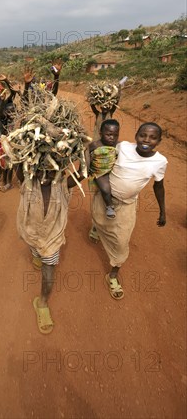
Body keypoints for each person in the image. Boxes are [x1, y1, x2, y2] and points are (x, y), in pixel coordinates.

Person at [90, 122, 167, 300]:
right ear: (136, 136)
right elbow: (102, 147)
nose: (146, 140)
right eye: (143, 135)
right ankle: (96, 227)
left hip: (127, 204)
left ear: (159, 141)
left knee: (121, 241)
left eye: (153, 137)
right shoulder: (122, 147)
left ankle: (113, 275)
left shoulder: (160, 162)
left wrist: (162, 211)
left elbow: (159, 187)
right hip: (105, 198)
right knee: (99, 220)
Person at [16, 166, 77, 335]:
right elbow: (19, 165)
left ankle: (42, 303)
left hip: (52, 237)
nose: (44, 175)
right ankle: (36, 255)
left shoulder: (63, 185)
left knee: (48, 268)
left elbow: (82, 174)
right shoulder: (27, 182)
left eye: (51, 171)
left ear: (62, 171)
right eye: (40, 170)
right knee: (35, 249)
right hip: (31, 232)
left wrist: (84, 149)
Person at [88, 119, 120, 219]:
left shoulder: (118, 145)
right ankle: (109, 206)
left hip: (112, 170)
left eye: (115, 135)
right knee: (105, 189)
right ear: (101, 133)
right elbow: (86, 153)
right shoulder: (95, 145)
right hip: (100, 172)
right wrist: (87, 167)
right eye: (109, 134)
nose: (112, 138)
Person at [0, 100, 16, 192]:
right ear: (6, 113)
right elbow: (0, 112)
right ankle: (4, 182)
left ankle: (9, 183)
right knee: (4, 165)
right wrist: (2, 100)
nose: (11, 113)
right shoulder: (4, 120)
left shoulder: (17, 121)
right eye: (9, 111)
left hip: (13, 147)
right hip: (4, 145)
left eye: (13, 111)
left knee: (10, 165)